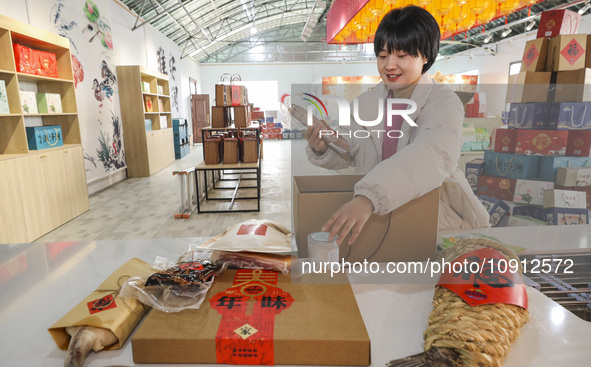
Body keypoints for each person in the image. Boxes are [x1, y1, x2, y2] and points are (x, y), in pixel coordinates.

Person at [305, 5, 489, 246]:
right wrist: (324, 146)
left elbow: (432, 153)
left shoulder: (443, 102)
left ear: (425, 56)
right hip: (375, 217)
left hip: (430, 216)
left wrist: (369, 197)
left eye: (401, 56)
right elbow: (351, 150)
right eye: (382, 56)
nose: (389, 65)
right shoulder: (367, 103)